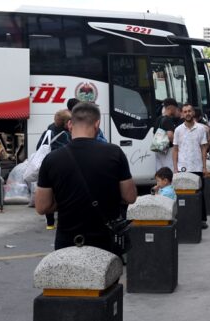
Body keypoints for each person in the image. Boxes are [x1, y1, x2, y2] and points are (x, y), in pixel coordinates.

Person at [35, 102, 137, 252]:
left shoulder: (52, 159)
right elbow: (130, 197)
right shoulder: (115, 153)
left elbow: (41, 207)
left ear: (70, 124)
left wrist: (65, 201)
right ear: (97, 124)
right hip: (104, 241)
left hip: (68, 241)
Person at [172, 103, 210, 229]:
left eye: (189, 111)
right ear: (182, 114)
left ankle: (202, 219)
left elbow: (204, 148)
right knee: (182, 195)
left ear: (193, 113)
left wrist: (204, 167)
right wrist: (175, 168)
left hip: (197, 166)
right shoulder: (178, 130)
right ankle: (185, 218)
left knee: (199, 194)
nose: (187, 113)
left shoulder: (201, 129)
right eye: (185, 111)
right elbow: (175, 149)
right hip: (183, 166)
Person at [153, 98, 179, 171]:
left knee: (161, 171)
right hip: (168, 150)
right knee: (169, 171)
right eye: (175, 108)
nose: (176, 110)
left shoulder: (159, 118)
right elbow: (170, 135)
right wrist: (177, 145)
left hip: (158, 148)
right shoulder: (168, 119)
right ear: (171, 108)